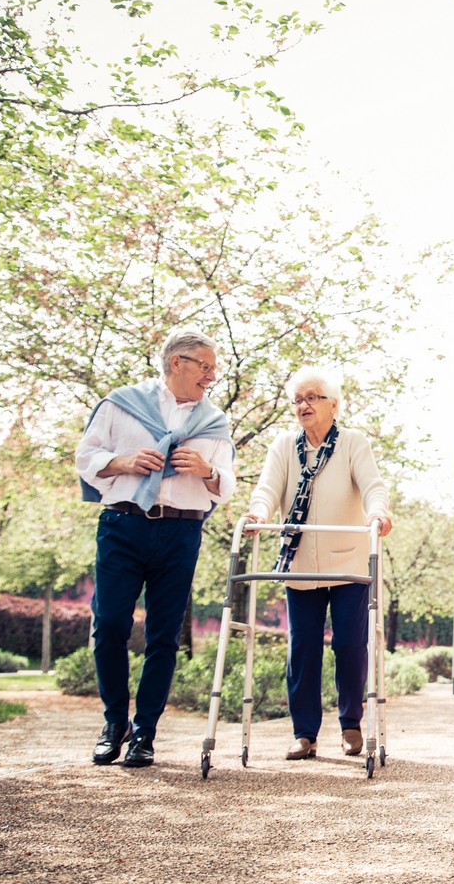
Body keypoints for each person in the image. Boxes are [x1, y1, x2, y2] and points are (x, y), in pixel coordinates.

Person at [77, 329, 236, 768]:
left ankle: (145, 732)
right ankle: (114, 723)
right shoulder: (119, 404)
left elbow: (226, 485)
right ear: (176, 363)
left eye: (213, 367)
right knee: (108, 625)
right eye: (205, 365)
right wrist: (123, 463)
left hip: (181, 533)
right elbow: (85, 457)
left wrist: (207, 472)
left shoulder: (214, 422)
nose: (211, 374)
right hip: (123, 524)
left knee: (163, 636)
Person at [243, 367, 392, 761]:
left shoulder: (352, 443)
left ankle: (350, 725)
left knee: (348, 644)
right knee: (303, 647)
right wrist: (257, 516)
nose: (304, 405)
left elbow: (373, 485)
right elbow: (267, 490)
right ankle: (304, 733)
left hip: (347, 564)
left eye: (313, 397)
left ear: (334, 404)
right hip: (301, 565)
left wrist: (378, 514)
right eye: (298, 399)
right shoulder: (284, 446)